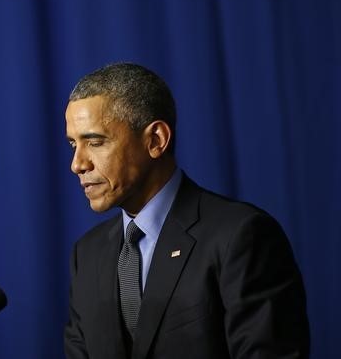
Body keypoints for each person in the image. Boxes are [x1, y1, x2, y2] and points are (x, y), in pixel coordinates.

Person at [63, 63, 309, 359]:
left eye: (95, 142)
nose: (77, 164)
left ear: (155, 140)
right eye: (73, 144)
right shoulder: (87, 255)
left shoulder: (241, 236)